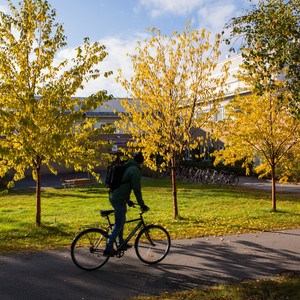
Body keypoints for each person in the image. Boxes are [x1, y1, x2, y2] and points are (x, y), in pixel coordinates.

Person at [103, 152, 149, 257]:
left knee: (121, 221)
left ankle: (121, 243)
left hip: (115, 196)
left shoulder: (128, 165)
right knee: (119, 224)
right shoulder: (135, 170)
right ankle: (108, 248)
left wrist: (128, 200)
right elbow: (136, 189)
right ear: (141, 162)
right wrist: (142, 204)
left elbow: (124, 185)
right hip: (118, 198)